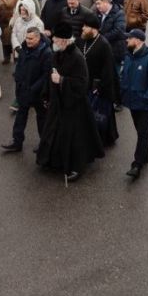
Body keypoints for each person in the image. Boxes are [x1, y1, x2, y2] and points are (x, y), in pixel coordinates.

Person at [36, 23, 105, 182]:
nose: (53, 41)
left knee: (74, 138)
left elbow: (82, 83)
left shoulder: (77, 57)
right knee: (54, 131)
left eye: (56, 39)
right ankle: (52, 160)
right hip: (58, 102)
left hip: (74, 105)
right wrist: (46, 94)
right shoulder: (57, 53)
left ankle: (76, 167)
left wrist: (62, 80)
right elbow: (50, 74)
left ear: (64, 41)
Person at [1, 26, 52, 153]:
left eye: (31, 39)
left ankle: (44, 144)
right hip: (23, 89)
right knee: (20, 116)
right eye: (27, 38)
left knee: (42, 119)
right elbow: (20, 66)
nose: (28, 41)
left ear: (38, 38)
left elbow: (46, 75)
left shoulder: (46, 53)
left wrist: (33, 88)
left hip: (38, 93)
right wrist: (18, 80)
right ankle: (17, 142)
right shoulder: (24, 48)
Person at [120, 29, 148, 179]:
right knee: (140, 131)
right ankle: (146, 153)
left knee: (142, 132)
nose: (126, 41)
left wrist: (146, 97)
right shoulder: (129, 56)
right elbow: (123, 75)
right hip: (132, 102)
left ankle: (137, 164)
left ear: (138, 40)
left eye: (129, 38)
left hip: (145, 105)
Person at [78, 15, 119, 147]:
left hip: (98, 86)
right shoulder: (82, 40)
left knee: (101, 115)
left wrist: (100, 86)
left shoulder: (104, 45)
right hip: (85, 83)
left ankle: (106, 139)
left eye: (86, 26)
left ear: (94, 29)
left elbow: (108, 70)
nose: (83, 28)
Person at [95, 0, 127, 112]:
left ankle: (119, 101)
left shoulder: (119, 14)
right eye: (96, 4)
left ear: (106, 2)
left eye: (99, 4)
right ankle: (107, 97)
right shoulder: (99, 14)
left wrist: (101, 38)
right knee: (105, 75)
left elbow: (118, 31)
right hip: (104, 50)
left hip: (116, 50)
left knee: (116, 76)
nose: (97, 6)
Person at [0, 0, 20, 64]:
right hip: (2, 21)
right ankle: (6, 57)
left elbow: (17, 7)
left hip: (12, 21)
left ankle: (15, 57)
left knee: (13, 39)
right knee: (4, 40)